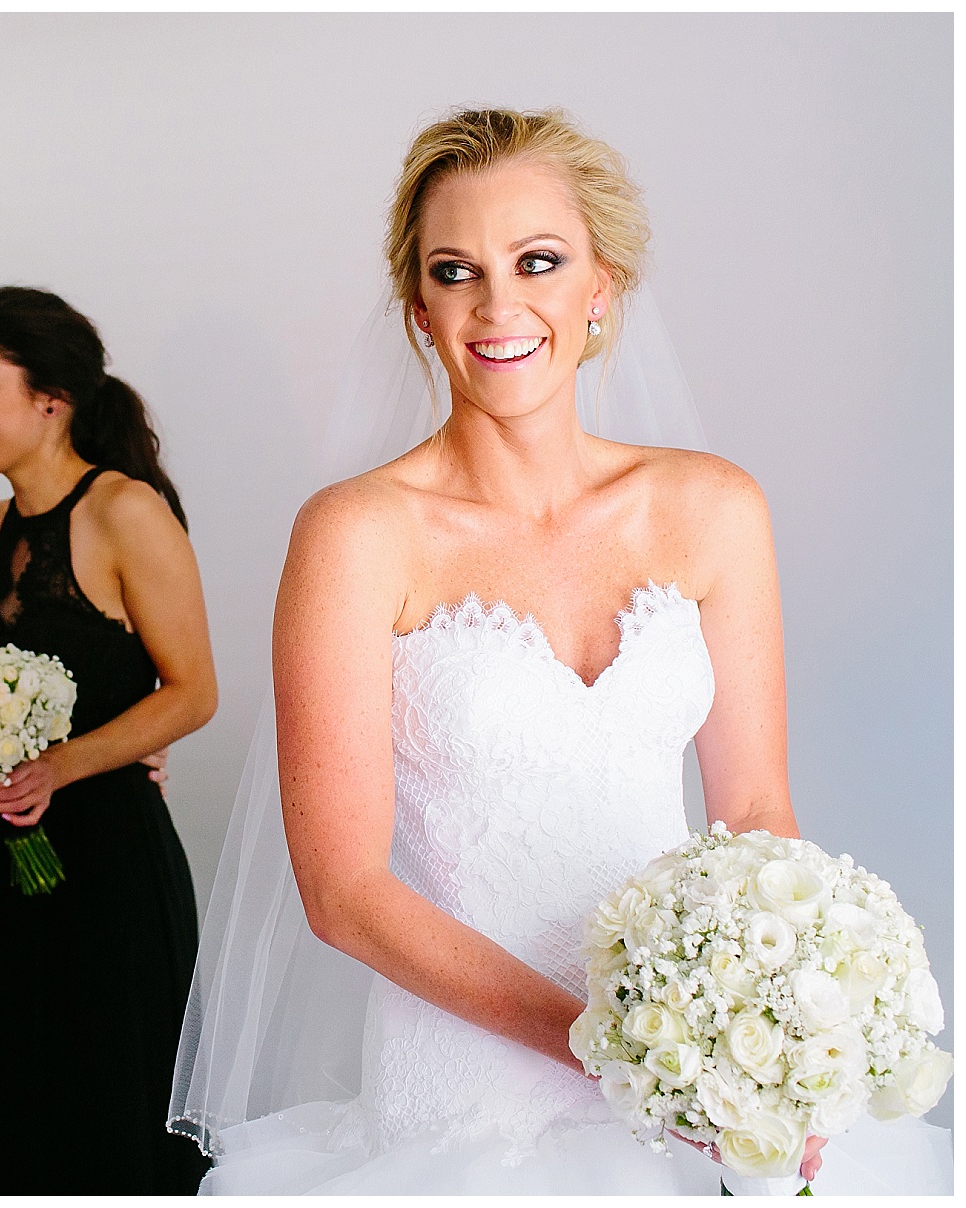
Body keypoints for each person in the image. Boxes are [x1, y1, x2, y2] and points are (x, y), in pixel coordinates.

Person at [169, 108, 951, 1195]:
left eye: (538, 260)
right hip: (467, 1091)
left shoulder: (712, 506)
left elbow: (759, 812)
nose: (500, 305)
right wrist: (614, 1047)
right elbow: (343, 888)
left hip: (695, 1079)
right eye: (456, 271)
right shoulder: (356, 533)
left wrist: (747, 1044)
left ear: (601, 286)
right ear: (418, 310)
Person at [0, 286, 218, 1192]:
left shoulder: (123, 511)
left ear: (51, 398)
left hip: (109, 872)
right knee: (25, 1112)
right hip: (6, 877)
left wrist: (59, 765)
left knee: (113, 1108)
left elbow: (193, 692)